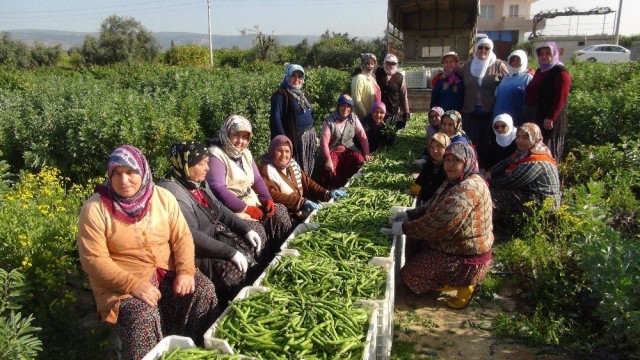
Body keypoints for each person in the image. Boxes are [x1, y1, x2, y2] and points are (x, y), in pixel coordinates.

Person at [77, 145, 218, 360]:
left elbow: (182, 237)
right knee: (142, 312)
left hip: (166, 271)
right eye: (116, 173)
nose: (123, 180)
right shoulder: (95, 209)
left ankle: (195, 351)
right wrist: (132, 285)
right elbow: (93, 260)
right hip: (122, 284)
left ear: (143, 171)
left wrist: (186, 271)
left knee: (203, 290)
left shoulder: (162, 198)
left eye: (131, 172)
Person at [386, 141, 493, 310]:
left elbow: (439, 224)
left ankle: (465, 286)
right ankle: (447, 277)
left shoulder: (468, 189)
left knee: (409, 276)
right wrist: (410, 214)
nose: (450, 165)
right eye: (448, 160)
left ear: (467, 162)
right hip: (453, 245)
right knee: (414, 243)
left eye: (456, 161)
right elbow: (432, 206)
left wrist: (405, 228)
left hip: (467, 258)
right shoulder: (453, 180)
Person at [158, 141, 265, 307]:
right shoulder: (173, 193)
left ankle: (252, 289)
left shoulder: (195, 181)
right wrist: (229, 253)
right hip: (195, 252)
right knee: (233, 268)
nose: (207, 168)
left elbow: (219, 209)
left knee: (254, 236)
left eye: (207, 162)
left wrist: (245, 230)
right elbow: (191, 236)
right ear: (186, 164)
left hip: (214, 234)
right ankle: (231, 305)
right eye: (201, 163)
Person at [207, 115, 293, 255]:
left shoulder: (245, 153)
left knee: (280, 215)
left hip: (252, 200)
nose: (240, 141)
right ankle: (261, 265)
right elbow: (217, 188)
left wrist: (267, 198)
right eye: (236, 135)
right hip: (232, 209)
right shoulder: (216, 154)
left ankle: (281, 252)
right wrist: (246, 209)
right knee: (256, 232)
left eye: (245, 137)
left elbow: (257, 179)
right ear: (227, 133)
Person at [259, 135, 348, 222]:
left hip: (302, 208)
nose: (284, 155)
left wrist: (327, 193)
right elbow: (272, 194)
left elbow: (307, 182)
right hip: (287, 215)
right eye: (279, 151)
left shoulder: (291, 164)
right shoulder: (266, 169)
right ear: (272, 151)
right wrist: (300, 203)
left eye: (287, 151)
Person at [484, 123, 561, 219]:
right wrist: (490, 172)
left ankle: (491, 226)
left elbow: (512, 181)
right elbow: (505, 162)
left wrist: (486, 182)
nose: (520, 141)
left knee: (489, 194)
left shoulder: (538, 158)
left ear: (534, 138)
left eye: (525, 137)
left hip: (542, 204)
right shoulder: (524, 153)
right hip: (530, 196)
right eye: (518, 137)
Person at [460, 38, 508, 169]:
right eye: (481, 48)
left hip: (489, 110)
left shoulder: (497, 64)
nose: (483, 51)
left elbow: (511, 77)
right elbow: (454, 74)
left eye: (487, 48)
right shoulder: (468, 66)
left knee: (486, 141)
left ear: (491, 50)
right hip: (469, 110)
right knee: (470, 140)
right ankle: (470, 166)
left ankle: (485, 168)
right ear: (476, 49)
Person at [523, 42, 571, 162]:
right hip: (538, 115)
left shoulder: (560, 72)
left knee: (548, 150)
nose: (544, 56)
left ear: (554, 54)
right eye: (541, 54)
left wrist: (551, 117)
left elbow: (561, 97)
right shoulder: (540, 71)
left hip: (549, 120)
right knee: (536, 148)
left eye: (547, 53)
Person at [269, 64, 317, 175]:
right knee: (295, 169)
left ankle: (306, 188)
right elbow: (275, 119)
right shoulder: (281, 95)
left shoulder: (302, 94)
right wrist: (284, 141)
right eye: (293, 75)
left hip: (308, 138)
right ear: (287, 76)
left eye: (300, 76)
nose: (297, 79)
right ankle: (296, 190)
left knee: (307, 168)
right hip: (295, 139)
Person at [320, 94, 373, 188]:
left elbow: (362, 136)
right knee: (331, 170)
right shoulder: (329, 121)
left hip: (349, 149)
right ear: (338, 106)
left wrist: (366, 153)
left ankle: (352, 186)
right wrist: (328, 159)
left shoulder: (353, 118)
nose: (345, 109)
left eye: (349, 106)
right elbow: (324, 142)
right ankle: (331, 190)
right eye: (343, 105)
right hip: (333, 151)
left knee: (360, 161)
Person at [493, 49, 533, 126]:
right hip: (498, 118)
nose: (515, 63)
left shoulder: (527, 77)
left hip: (514, 118)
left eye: (518, 60)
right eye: (513, 60)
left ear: (523, 61)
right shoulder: (506, 77)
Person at [410, 133, 451, 206]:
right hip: (427, 201)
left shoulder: (448, 168)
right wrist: (415, 187)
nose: (435, 151)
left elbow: (435, 193)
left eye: (439, 146)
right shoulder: (432, 162)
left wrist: (419, 191)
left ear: (446, 147)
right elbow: (420, 180)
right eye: (432, 147)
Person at [375, 53, 411, 129]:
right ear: (384, 63)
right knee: (378, 131)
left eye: (393, 63)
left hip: (393, 110)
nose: (390, 65)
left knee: (390, 132)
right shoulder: (378, 73)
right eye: (388, 63)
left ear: (396, 65)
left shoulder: (400, 77)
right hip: (378, 110)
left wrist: (406, 112)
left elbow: (403, 95)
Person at [351, 53, 381, 120]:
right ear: (363, 63)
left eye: (372, 63)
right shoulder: (358, 77)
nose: (370, 65)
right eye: (367, 63)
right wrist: (364, 116)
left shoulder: (372, 77)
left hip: (372, 116)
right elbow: (356, 99)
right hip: (362, 118)